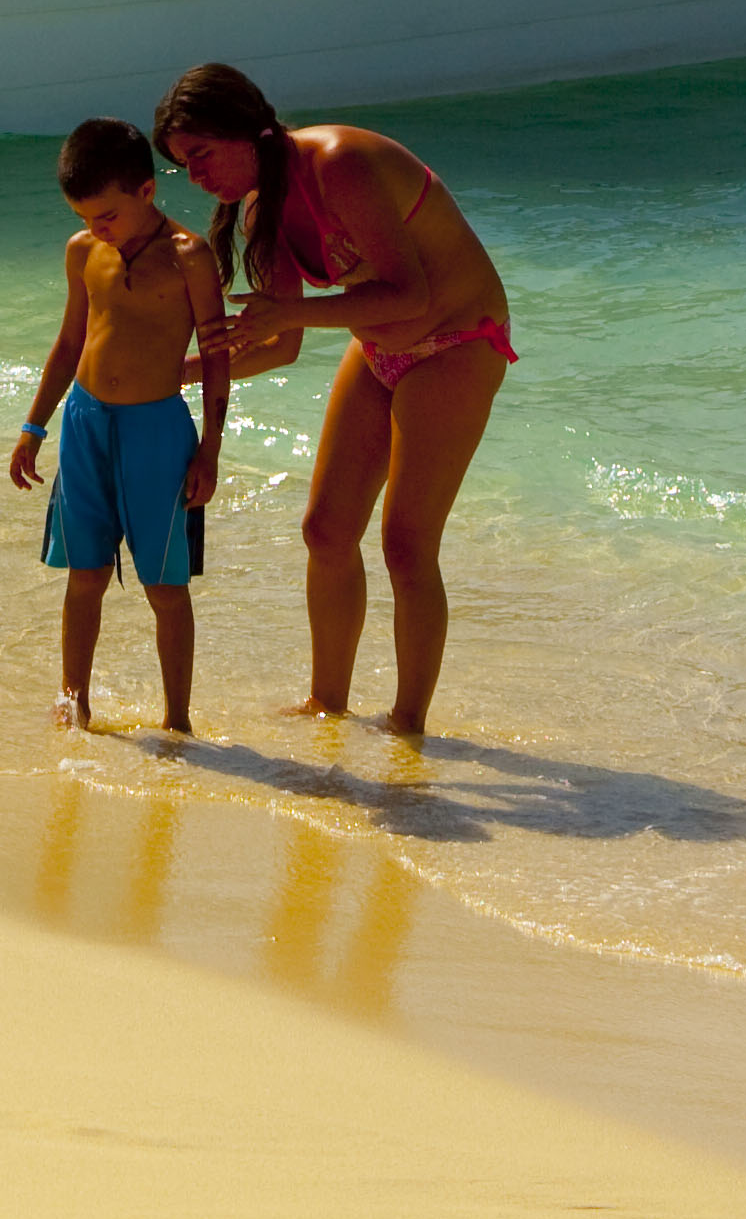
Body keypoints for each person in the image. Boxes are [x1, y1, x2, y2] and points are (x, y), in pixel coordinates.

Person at [154, 61, 514, 737]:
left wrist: (289, 314)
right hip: (379, 350)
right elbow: (279, 345)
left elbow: (412, 295)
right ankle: (329, 703)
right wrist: (177, 372)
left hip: (457, 342)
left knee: (406, 545)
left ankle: (407, 724)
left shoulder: (340, 163)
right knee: (325, 530)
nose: (196, 178)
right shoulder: (263, 206)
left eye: (201, 155)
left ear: (247, 130)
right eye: (183, 166)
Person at [11, 117, 233, 734]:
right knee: (85, 575)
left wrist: (210, 450)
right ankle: (73, 705)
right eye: (84, 216)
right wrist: (34, 427)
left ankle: (177, 722)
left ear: (145, 191)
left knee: (165, 586)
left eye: (105, 216)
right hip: (86, 423)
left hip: (156, 432)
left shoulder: (190, 258)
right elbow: (68, 341)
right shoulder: (84, 251)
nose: (94, 229)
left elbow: (218, 362)